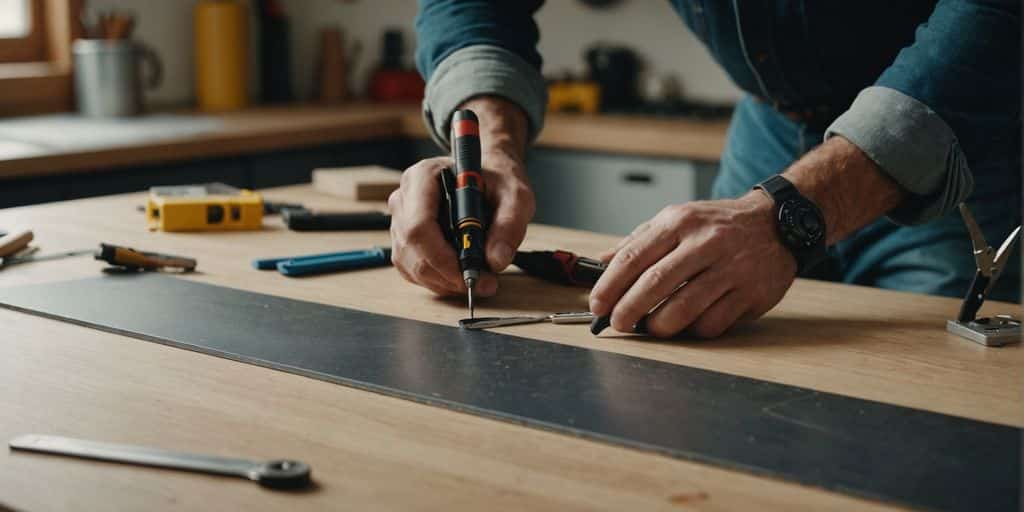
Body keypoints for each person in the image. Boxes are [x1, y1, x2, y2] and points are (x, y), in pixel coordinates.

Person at [388, 0, 1021, 338]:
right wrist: (492, 144)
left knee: (940, 410)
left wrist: (792, 215)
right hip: (769, 128)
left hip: (959, 135)